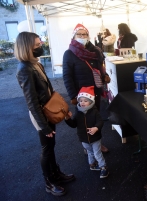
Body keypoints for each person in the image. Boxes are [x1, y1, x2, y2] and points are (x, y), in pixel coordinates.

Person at [15, 32, 75, 196]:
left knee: (51, 145)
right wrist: (44, 126)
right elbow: (32, 102)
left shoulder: (35, 64)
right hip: (40, 115)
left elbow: (48, 89)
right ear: (27, 47)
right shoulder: (24, 69)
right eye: (37, 45)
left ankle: (56, 174)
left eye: (40, 43)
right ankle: (49, 182)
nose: (41, 46)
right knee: (46, 148)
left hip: (48, 111)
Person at [63, 23, 109, 153]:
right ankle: (88, 145)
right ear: (74, 36)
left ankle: (98, 144)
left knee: (96, 119)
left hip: (95, 91)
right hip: (82, 95)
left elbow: (100, 68)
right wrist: (72, 96)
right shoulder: (69, 54)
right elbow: (67, 76)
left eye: (85, 34)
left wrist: (105, 75)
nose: (82, 36)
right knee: (84, 122)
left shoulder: (94, 51)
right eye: (79, 34)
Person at [65, 86, 109, 179]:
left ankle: (103, 167)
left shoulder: (94, 111)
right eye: (80, 101)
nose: (82, 103)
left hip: (95, 137)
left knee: (97, 153)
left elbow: (100, 121)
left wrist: (96, 128)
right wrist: (67, 119)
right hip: (84, 139)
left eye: (85, 100)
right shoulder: (78, 112)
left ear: (91, 101)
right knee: (90, 152)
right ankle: (92, 165)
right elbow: (73, 124)